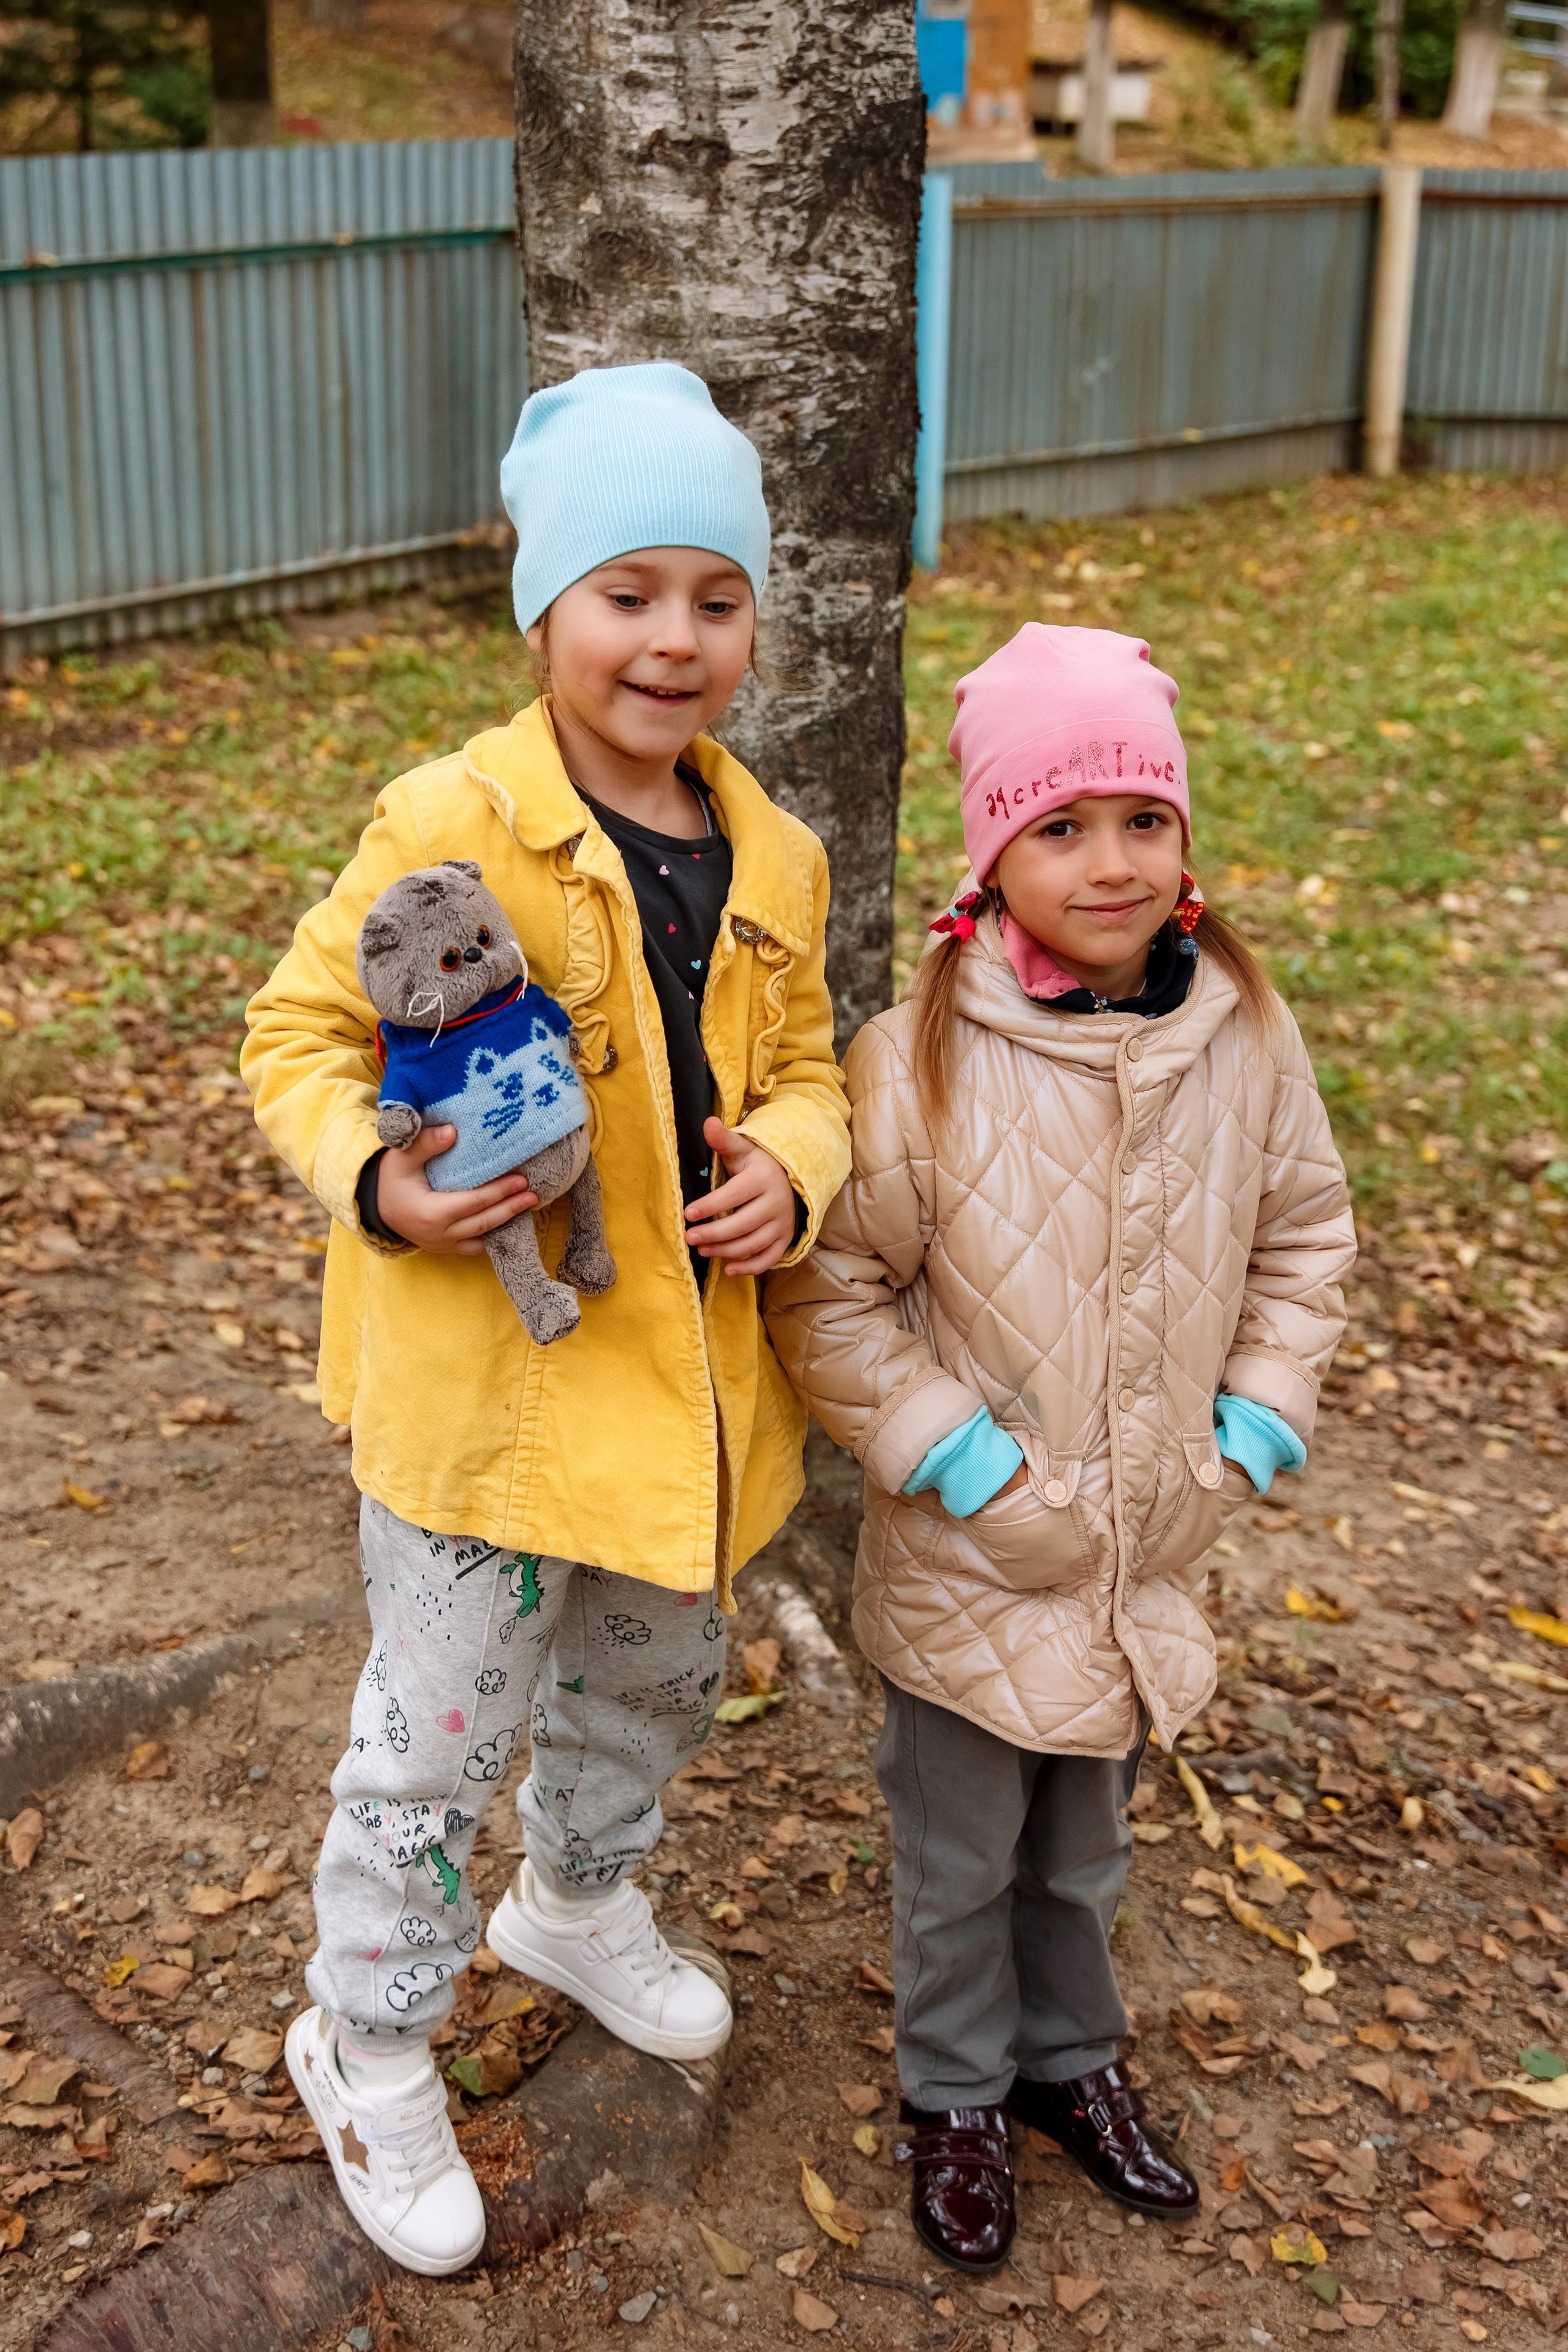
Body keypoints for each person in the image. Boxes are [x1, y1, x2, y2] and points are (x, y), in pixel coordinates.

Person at [241, 362, 849, 2278]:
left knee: (654, 1681)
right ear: (544, 608)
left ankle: (576, 1903)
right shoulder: (456, 816)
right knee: (434, 1745)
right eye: (628, 592)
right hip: (491, 1404)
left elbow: (810, 1068)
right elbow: (295, 1037)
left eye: (717, 598)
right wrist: (382, 1183)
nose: (675, 640)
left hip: (684, 1403)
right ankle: (366, 2040)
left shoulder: (776, 854)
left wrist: (797, 1164)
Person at [766, 623, 1355, 2275]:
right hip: (976, 1562)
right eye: (1062, 826)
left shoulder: (1241, 1029)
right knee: (960, 1859)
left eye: (1145, 819)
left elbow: (1305, 1236)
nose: (1112, 863)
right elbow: (829, 1292)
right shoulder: (918, 1059)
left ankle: (1068, 2064)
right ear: (994, 857)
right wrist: (964, 1464)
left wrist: (1251, 1427)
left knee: (1085, 1852)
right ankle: (954, 2094)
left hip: (1144, 1556)